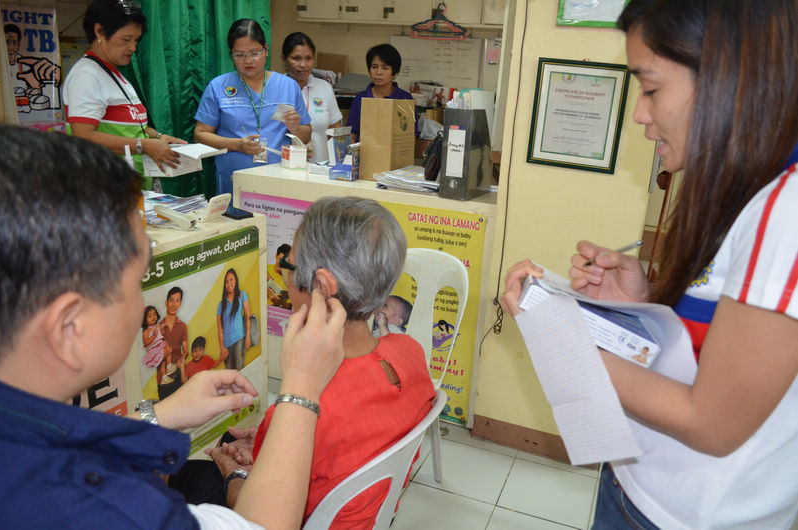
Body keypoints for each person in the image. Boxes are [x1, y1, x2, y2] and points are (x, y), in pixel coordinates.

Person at [501, 1, 798, 528]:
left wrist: (557, 332)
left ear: (731, 76)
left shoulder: (787, 209)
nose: (639, 113)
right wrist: (644, 303)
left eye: (652, 88)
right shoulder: (744, 187)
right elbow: (723, 350)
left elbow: (712, 422)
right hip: (640, 480)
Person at [0, 124, 347, 529]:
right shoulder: (107, 512)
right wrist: (300, 390)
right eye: (138, 278)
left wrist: (156, 417)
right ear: (69, 327)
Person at [181, 197, 436, 527]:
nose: (286, 276)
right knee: (233, 440)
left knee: (188, 471)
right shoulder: (409, 351)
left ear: (321, 286)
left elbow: (258, 520)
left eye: (289, 265)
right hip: (368, 509)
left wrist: (237, 473)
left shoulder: (309, 400)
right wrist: (266, 438)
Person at [62, 0, 186, 190]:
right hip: (104, 187)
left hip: (128, 185)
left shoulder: (114, 73)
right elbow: (84, 136)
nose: (133, 48)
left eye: (136, 40)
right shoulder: (86, 75)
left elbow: (130, 124)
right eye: (126, 40)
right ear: (99, 32)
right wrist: (144, 145)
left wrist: (158, 136)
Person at [194, 19, 312, 197]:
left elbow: (306, 133)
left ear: (266, 50)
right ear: (231, 54)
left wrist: (295, 127)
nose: (248, 60)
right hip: (234, 182)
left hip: (279, 181)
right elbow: (200, 134)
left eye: (254, 53)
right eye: (239, 54)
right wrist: (237, 145)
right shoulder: (218, 86)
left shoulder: (288, 86)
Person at [281, 32, 343, 163]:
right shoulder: (276, 89)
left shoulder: (324, 88)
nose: (303, 64)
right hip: (284, 167)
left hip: (320, 169)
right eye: (296, 58)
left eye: (308, 58)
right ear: (284, 59)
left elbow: (336, 133)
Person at [346, 43, 415, 142]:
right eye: (374, 67)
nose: (378, 72)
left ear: (395, 72)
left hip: (394, 156)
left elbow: (410, 137)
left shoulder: (405, 99)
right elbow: (352, 134)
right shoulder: (360, 99)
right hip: (364, 156)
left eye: (385, 68)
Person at [217, 268, 252, 371]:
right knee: (229, 376)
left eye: (231, 280)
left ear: (235, 280)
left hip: (239, 339)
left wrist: (248, 337)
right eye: (226, 282)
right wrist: (222, 347)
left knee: (238, 371)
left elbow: (248, 317)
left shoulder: (242, 295)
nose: (229, 283)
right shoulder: (221, 304)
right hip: (227, 345)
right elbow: (220, 329)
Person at [158, 285, 188, 399]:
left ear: (180, 303)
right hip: (162, 378)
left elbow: (185, 351)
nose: (174, 304)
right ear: (166, 303)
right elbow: (154, 355)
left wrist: (182, 359)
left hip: (178, 375)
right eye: (171, 300)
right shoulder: (158, 327)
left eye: (177, 301)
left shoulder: (183, 326)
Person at [141, 305, 172, 387]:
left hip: (160, 347)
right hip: (154, 351)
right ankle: (168, 368)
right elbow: (146, 343)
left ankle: (166, 373)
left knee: (166, 354)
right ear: (144, 321)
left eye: (154, 314)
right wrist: (153, 336)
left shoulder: (156, 326)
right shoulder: (146, 331)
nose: (153, 317)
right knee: (165, 352)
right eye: (150, 316)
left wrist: (163, 329)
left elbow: (161, 335)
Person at [267, 242, 292, 308]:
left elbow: (289, 306)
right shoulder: (265, 268)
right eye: (280, 259)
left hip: (276, 313)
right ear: (276, 255)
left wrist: (275, 301)